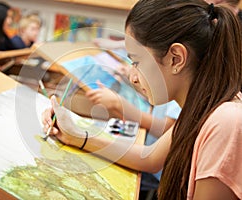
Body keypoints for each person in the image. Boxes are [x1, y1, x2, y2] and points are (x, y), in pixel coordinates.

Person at [42, 0, 242, 199]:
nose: (132, 76)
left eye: (137, 61)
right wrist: (75, 135)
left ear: (176, 59)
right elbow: (150, 157)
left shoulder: (225, 121)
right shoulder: (200, 107)